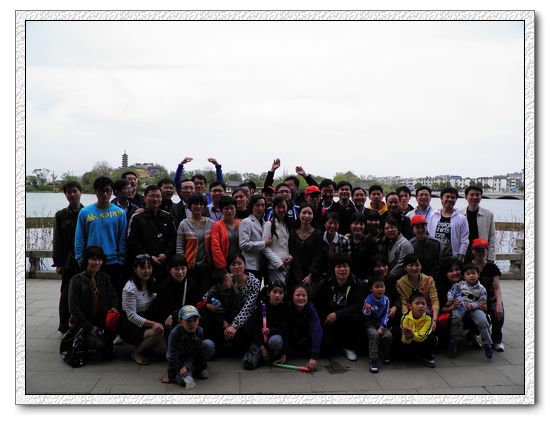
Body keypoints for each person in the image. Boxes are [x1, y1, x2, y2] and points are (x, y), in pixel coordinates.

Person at [75, 176, 127, 301]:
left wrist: (121, 260)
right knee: (90, 298)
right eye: (101, 191)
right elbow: (80, 238)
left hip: (113, 262)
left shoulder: (120, 213)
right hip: (91, 262)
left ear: (112, 191)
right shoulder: (85, 212)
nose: (104, 194)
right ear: (95, 191)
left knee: (111, 297)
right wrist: (81, 259)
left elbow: (122, 239)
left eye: (107, 191)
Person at [67, 246, 119, 360]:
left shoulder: (104, 277)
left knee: (119, 326)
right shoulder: (76, 281)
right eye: (93, 259)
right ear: (86, 260)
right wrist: (89, 327)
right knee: (101, 345)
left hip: (101, 320)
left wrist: (114, 308)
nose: (97, 263)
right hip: (82, 323)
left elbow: (114, 296)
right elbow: (74, 309)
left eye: (99, 260)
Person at [314, 254, 366, 361]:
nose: (342, 269)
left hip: (348, 318)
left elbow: (358, 305)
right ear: (333, 269)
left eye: (345, 266)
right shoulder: (326, 282)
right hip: (330, 318)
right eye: (339, 266)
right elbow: (318, 301)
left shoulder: (358, 283)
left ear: (350, 268)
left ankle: (349, 347)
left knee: (355, 317)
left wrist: (337, 314)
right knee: (328, 351)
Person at [119, 255, 165, 365]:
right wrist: (153, 324)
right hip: (131, 325)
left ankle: (146, 346)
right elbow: (131, 316)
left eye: (149, 267)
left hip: (147, 318)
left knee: (162, 350)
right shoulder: (130, 288)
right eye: (143, 268)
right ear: (135, 269)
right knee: (159, 331)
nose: (147, 271)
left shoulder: (151, 281)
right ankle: (136, 352)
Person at [127, 184, 177, 283]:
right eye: (152, 196)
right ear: (145, 198)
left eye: (158, 196)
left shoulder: (168, 217)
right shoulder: (137, 217)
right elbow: (132, 241)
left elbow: (173, 238)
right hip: (144, 263)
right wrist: (149, 256)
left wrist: (166, 254)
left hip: (164, 262)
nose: (156, 199)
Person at [53, 180, 84, 333]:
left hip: (85, 260)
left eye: (74, 191)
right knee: (66, 294)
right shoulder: (61, 215)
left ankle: (82, 325)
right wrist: (58, 263)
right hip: (68, 261)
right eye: (69, 192)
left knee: (85, 293)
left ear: (80, 192)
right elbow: (57, 240)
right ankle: (64, 326)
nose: (72, 195)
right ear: (65, 195)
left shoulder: (88, 213)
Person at [160, 305, 215, 389]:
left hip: (192, 358)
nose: (192, 324)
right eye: (188, 321)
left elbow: (196, 352)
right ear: (180, 321)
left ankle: (200, 368)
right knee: (185, 382)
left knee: (208, 344)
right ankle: (183, 374)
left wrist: (187, 366)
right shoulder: (174, 334)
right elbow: (171, 356)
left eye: (195, 320)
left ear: (199, 320)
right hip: (180, 361)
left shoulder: (199, 331)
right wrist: (171, 376)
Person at [447, 263, 493, 359]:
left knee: (483, 321)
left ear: (478, 274)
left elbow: (482, 301)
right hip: (460, 307)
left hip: (474, 309)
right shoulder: (459, 285)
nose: (471, 276)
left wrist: (472, 305)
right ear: (464, 276)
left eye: (473, 273)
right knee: (455, 319)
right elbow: (451, 292)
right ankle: (454, 342)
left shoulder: (482, 289)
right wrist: (450, 299)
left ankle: (487, 344)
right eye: (468, 274)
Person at [242, 281, 289, 370]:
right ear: (268, 293)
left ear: (284, 295)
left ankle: (272, 354)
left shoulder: (285, 309)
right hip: (260, 339)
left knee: (276, 341)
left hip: (273, 339)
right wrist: (262, 346)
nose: (277, 295)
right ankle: (261, 353)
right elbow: (255, 328)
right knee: (248, 363)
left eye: (280, 293)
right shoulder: (261, 307)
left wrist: (284, 353)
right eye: (274, 292)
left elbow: (285, 330)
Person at [176, 193, 215, 295]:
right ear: (190, 206)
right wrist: (182, 265)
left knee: (205, 294)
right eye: (195, 204)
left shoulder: (211, 223)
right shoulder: (184, 224)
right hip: (190, 266)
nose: (198, 206)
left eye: (201, 204)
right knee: (191, 293)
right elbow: (180, 247)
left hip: (207, 266)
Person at [471, 238, 505, 352]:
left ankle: (497, 339)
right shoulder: (468, 266)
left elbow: (497, 287)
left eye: (483, 250)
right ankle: (473, 335)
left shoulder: (491, 267)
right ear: (473, 251)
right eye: (477, 250)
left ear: (486, 251)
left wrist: (499, 304)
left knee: (498, 311)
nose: (480, 253)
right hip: (474, 300)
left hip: (490, 299)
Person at [222, 254, 261, 353]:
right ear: (229, 267)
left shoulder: (254, 282)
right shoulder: (227, 279)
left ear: (245, 265)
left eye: (239, 263)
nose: (236, 267)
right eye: (233, 264)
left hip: (247, 316)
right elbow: (209, 296)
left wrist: (234, 325)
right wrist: (222, 320)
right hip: (230, 313)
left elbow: (248, 307)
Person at [154, 255, 200, 336]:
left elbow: (192, 305)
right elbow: (161, 309)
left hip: (187, 318)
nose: (180, 272)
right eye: (176, 269)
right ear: (170, 270)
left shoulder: (191, 283)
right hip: (169, 324)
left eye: (183, 268)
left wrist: (173, 316)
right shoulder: (164, 286)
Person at [199, 268, 240, 351]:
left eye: (230, 277)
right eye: (227, 280)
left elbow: (236, 309)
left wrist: (230, 323)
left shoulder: (234, 291)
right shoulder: (212, 294)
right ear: (219, 285)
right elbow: (212, 312)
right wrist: (222, 321)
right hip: (217, 321)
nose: (230, 280)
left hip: (230, 320)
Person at [396, 254, 439, 333]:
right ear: (405, 267)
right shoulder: (400, 283)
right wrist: (406, 321)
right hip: (410, 313)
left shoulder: (429, 280)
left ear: (421, 266)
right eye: (411, 265)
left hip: (426, 311)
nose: (414, 268)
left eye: (417, 265)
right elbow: (404, 303)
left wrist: (434, 320)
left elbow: (435, 301)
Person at [287, 203, 324, 293]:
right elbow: (293, 254)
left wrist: (310, 275)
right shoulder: (292, 233)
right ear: (299, 214)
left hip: (312, 277)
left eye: (309, 213)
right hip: (294, 276)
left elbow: (318, 256)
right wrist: (298, 276)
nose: (306, 216)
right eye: (304, 213)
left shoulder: (318, 234)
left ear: (313, 216)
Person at [426, 187, 469, 261]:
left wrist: (460, 259)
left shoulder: (461, 218)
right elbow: (428, 235)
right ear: (441, 198)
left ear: (456, 200)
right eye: (447, 197)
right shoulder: (433, 215)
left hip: (452, 257)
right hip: (435, 256)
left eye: (453, 197)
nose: (449, 199)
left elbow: (464, 240)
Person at [362, 274, 393, 373]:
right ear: (371, 289)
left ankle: (383, 355)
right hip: (370, 324)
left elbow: (386, 315)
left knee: (388, 336)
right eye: (377, 287)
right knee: (374, 335)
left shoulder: (386, 299)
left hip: (382, 324)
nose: (380, 289)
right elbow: (365, 315)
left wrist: (382, 327)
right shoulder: (368, 299)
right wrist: (367, 310)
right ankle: (374, 360)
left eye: (382, 286)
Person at [287, 285, 323, 371]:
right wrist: (284, 353)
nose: (301, 298)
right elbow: (284, 330)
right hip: (292, 334)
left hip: (306, 334)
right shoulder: (287, 307)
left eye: (304, 295)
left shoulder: (311, 308)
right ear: (292, 296)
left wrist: (314, 356)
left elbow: (317, 329)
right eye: (298, 295)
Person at [399, 290, 438, 367]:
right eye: (417, 303)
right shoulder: (405, 317)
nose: (421, 306)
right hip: (409, 343)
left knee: (432, 338)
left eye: (423, 304)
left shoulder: (428, 319)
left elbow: (422, 336)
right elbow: (403, 338)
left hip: (421, 342)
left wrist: (412, 335)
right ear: (410, 306)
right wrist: (407, 337)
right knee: (395, 331)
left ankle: (427, 357)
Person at [462, 185, 497, 263]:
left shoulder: (488, 214)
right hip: (464, 254)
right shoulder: (460, 214)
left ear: (481, 197)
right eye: (472, 195)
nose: (474, 197)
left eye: (477, 195)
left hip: (481, 254)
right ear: (466, 197)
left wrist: (491, 258)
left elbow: (492, 237)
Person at [262, 196, 293, 285]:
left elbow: (288, 245)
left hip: (288, 266)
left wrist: (290, 257)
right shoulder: (269, 224)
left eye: (283, 207)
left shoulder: (287, 224)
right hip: (275, 267)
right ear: (274, 209)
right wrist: (279, 263)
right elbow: (265, 248)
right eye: (278, 207)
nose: (281, 210)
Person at [239, 194, 268, 282]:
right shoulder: (246, 222)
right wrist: (264, 244)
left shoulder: (265, 223)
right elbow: (243, 244)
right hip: (249, 265)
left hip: (262, 265)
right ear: (252, 206)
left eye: (263, 205)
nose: (260, 208)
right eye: (257, 205)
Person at [211, 196, 241, 270]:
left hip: (240, 263)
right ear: (221, 210)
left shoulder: (241, 224)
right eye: (226, 209)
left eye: (232, 208)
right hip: (224, 263)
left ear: (236, 209)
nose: (229, 211)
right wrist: (222, 266)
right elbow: (216, 248)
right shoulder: (217, 225)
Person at [347, 212, 377, 281]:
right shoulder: (346, 240)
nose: (358, 226)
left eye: (361, 224)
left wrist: (368, 278)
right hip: (349, 278)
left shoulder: (370, 241)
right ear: (350, 225)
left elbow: (374, 262)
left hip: (366, 279)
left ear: (365, 226)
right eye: (355, 223)